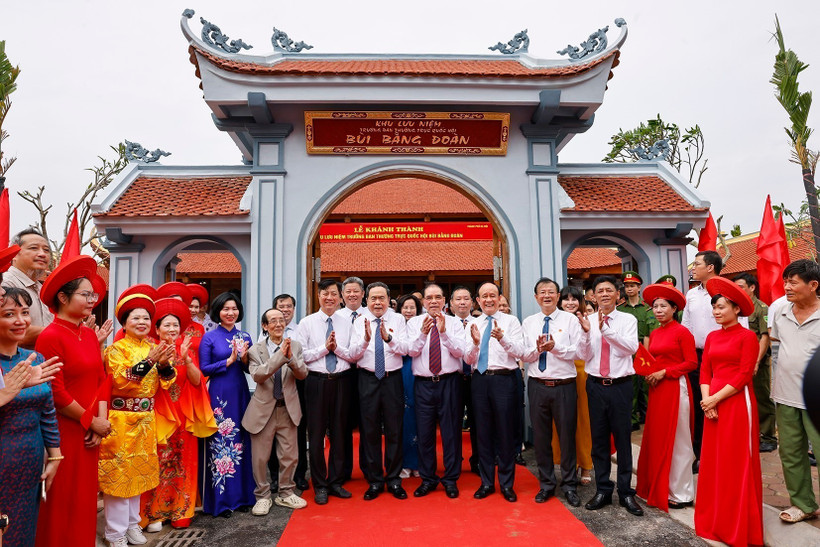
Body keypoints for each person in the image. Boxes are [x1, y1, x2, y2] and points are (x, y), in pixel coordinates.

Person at [34, 255, 112, 547]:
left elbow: (102, 379)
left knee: (84, 499)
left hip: (90, 431)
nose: (92, 300)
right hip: (63, 432)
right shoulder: (50, 336)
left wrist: (100, 422)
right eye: (85, 294)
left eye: (93, 295)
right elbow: (55, 391)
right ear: (63, 297)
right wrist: (90, 421)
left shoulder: (89, 335)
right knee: (61, 499)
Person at [99, 292, 178, 547]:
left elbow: (168, 382)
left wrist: (164, 364)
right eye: (136, 318)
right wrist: (151, 360)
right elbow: (121, 381)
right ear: (124, 323)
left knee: (139, 474)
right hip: (121, 420)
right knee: (119, 476)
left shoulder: (152, 347)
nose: (142, 322)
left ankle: (133, 524)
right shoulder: (116, 349)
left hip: (146, 420)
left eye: (146, 318)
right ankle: (115, 533)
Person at [694, 276, 763, 546]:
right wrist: (706, 401)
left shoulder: (748, 337)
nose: (716, 311)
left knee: (736, 461)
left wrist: (714, 400)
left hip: (736, 402)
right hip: (711, 401)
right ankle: (716, 519)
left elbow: (745, 374)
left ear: (736, 309)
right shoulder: (712, 337)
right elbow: (705, 371)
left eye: (721, 307)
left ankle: (738, 522)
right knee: (714, 462)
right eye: (714, 307)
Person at [141, 298, 217, 531]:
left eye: (176, 325)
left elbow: (196, 380)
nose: (172, 329)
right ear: (157, 329)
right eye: (167, 325)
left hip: (183, 415)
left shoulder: (186, 347)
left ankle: (181, 510)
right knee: (158, 462)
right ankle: (154, 513)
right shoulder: (148, 349)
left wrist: (187, 360)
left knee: (184, 462)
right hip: (159, 413)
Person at [0, 287, 63, 547]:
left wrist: (55, 455)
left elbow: (47, 410)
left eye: (25, 313)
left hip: (30, 461)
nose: (20, 321)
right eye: (9, 314)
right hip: (3, 461)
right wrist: (7, 391)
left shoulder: (34, 359)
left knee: (25, 530)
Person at [576, 275, 643, 516]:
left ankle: (625, 491)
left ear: (617, 294)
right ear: (593, 296)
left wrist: (606, 330)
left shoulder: (627, 319)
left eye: (609, 290)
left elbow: (630, 348)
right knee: (599, 440)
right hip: (595, 386)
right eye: (600, 291)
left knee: (623, 439)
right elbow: (583, 354)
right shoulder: (587, 321)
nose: (604, 294)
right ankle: (603, 489)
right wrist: (586, 334)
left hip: (620, 386)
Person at [682, 250, 748, 471]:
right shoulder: (691, 294)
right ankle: (701, 454)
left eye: (696, 264)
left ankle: (726, 456)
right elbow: (686, 327)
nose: (692, 268)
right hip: (698, 356)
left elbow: (742, 325)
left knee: (725, 408)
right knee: (700, 406)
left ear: (710, 267)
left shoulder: (728, 292)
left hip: (727, 360)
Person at [520, 277, 583, 506]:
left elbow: (578, 352)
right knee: (541, 437)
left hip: (564, 385)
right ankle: (546, 484)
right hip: (538, 385)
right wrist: (537, 350)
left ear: (558, 296)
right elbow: (524, 355)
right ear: (536, 297)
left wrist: (556, 348)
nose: (547, 295)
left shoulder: (570, 320)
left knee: (567, 437)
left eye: (551, 292)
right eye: (542, 292)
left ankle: (569, 485)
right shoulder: (529, 322)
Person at [635, 283, 697, 512]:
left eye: (663, 306)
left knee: (679, 439)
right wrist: (650, 373)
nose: (658, 310)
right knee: (658, 438)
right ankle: (659, 485)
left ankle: (681, 493)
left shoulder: (682, 332)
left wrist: (664, 372)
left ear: (674, 309)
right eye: (655, 306)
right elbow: (652, 360)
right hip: (658, 389)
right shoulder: (655, 333)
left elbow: (691, 363)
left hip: (676, 387)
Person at [296, 279, 358, 505]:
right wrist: (325, 348)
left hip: (342, 381)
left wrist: (336, 349)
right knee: (316, 434)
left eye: (334, 293)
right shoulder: (307, 323)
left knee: (340, 433)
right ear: (319, 296)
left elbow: (353, 354)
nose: (329, 297)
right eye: (325, 293)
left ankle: (336, 481)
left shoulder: (347, 323)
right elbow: (301, 355)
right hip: (316, 382)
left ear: (340, 297)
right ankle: (320, 484)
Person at [405, 284, 469, 499]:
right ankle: (428, 479)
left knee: (451, 433)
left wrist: (444, 333)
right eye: (429, 298)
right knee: (424, 434)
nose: (433, 301)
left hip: (449, 382)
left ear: (444, 301)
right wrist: (423, 334)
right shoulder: (414, 323)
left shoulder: (454, 323)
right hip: (423, 384)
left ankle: (451, 479)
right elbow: (411, 351)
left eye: (438, 297)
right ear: (423, 301)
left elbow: (460, 352)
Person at [464, 282, 526, 503]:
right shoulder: (472, 324)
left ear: (499, 298)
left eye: (493, 295)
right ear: (478, 301)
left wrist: (502, 338)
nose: (488, 299)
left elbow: (520, 352)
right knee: (483, 432)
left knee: (505, 432)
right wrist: (474, 344)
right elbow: (467, 359)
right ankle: (487, 482)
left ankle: (507, 483)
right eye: (484, 296)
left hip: (504, 380)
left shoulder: (511, 321)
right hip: (480, 380)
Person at [769, 260, 820, 524]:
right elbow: (779, 344)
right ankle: (803, 504)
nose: (787, 287)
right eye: (785, 282)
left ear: (813, 285)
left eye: (793, 282)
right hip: (786, 394)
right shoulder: (780, 311)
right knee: (791, 453)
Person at [243, 308, 308, 515]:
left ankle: (286, 492)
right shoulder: (255, 350)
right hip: (263, 411)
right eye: (273, 321)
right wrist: (280, 357)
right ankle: (262, 496)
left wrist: (291, 359)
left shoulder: (295, 346)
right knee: (260, 458)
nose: (279, 324)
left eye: (281, 320)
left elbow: (302, 374)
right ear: (265, 326)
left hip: (287, 408)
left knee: (290, 455)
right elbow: (258, 375)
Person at [348, 282, 409, 500]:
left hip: (392, 379)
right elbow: (353, 354)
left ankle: (393, 479)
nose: (377, 302)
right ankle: (374, 480)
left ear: (388, 300)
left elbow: (406, 349)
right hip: (368, 379)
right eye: (373, 298)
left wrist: (388, 339)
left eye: (381, 298)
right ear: (366, 300)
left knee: (394, 429)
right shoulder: (359, 321)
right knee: (369, 430)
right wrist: (365, 340)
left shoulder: (398, 319)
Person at [199, 292, 256, 517]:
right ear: (218, 312)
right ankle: (221, 501)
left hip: (240, 391)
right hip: (219, 394)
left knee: (241, 441)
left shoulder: (245, 336)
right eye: (226, 309)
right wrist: (228, 361)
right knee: (220, 443)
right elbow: (204, 368)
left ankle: (243, 497)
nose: (230, 313)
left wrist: (244, 358)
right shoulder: (209, 338)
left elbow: (249, 369)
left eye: (234, 309)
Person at [554, 286, 593, 487]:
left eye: (574, 299)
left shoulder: (586, 320)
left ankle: (586, 464)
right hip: (560, 372)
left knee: (583, 419)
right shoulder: (555, 320)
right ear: (560, 301)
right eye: (566, 299)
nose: (570, 303)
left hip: (582, 373)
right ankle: (567, 463)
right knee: (562, 421)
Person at [733, 273, 777, 453]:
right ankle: (749, 433)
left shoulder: (761, 308)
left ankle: (768, 437)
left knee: (761, 398)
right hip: (737, 361)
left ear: (752, 288)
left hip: (758, 361)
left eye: (741, 287)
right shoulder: (734, 307)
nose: (737, 291)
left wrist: (756, 361)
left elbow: (764, 337)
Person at [272, 293, 308, 491]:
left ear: (294, 309)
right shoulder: (266, 329)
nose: (285, 310)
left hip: (295, 384)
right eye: (281, 306)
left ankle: (300, 474)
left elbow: (303, 357)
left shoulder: (300, 329)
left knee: (298, 430)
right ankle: (275, 477)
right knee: (271, 432)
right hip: (273, 385)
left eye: (289, 306)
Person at [617, 271, 655, 431]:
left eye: (632, 286)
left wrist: (647, 353)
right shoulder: (620, 310)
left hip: (644, 350)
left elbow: (649, 334)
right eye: (627, 286)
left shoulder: (648, 309)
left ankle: (649, 416)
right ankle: (632, 418)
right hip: (627, 350)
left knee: (646, 385)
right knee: (630, 385)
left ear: (639, 287)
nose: (629, 289)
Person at [3, 229, 54, 347]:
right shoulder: (6, 284)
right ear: (15, 254)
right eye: (34, 248)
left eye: (46, 250)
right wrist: (64, 332)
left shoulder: (42, 289)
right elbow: (13, 331)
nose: (42, 254)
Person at [337, 277, 365, 482]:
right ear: (342, 295)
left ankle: (369, 468)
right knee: (343, 423)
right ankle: (343, 469)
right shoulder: (336, 317)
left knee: (368, 423)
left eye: (356, 291)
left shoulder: (370, 315)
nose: (352, 295)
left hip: (367, 374)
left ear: (363, 294)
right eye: (348, 291)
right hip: (344, 375)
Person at [448, 286, 478, 474]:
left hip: (476, 378)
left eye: (466, 299)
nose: (462, 302)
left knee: (479, 421)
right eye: (458, 299)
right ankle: (454, 462)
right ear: (451, 304)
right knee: (452, 422)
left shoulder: (479, 323)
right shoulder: (446, 324)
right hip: (454, 379)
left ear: (472, 302)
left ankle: (478, 461)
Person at [395, 294, 422, 479]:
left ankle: (419, 463)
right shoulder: (394, 325)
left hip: (418, 371)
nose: (409, 311)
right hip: (400, 371)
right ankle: (403, 463)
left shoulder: (423, 325)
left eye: (412, 307)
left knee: (419, 418)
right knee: (402, 419)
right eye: (405, 307)